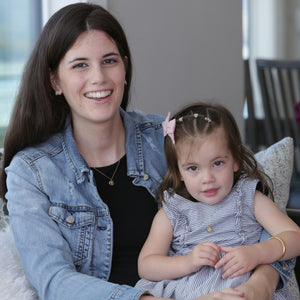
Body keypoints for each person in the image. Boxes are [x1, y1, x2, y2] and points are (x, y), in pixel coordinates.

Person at [0, 3, 294, 300]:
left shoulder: (171, 138)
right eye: (80, 65)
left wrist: (262, 284)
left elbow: (260, 219)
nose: (99, 77)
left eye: (109, 61)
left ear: (125, 68)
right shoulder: (31, 172)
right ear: (54, 81)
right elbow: (54, 281)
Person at [135, 102, 300, 299]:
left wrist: (258, 252)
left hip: (241, 286)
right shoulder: (172, 212)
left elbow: (294, 237)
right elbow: (146, 265)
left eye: (217, 163)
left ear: (235, 160)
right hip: (187, 292)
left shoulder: (248, 198)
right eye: (193, 168)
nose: (207, 179)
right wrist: (188, 262)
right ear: (178, 172)